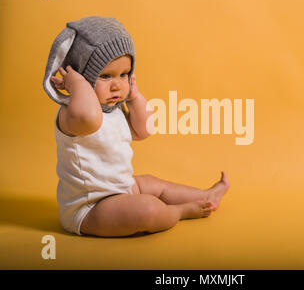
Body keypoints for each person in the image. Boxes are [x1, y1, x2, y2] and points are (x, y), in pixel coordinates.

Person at [43, 16, 230, 237]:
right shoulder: (72, 114)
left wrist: (135, 98)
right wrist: (75, 84)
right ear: (80, 76)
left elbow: (143, 130)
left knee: (154, 184)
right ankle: (180, 211)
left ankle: (204, 195)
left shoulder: (112, 111)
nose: (117, 85)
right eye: (105, 76)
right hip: (90, 208)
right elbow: (90, 118)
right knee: (148, 209)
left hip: (123, 188)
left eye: (124, 74)